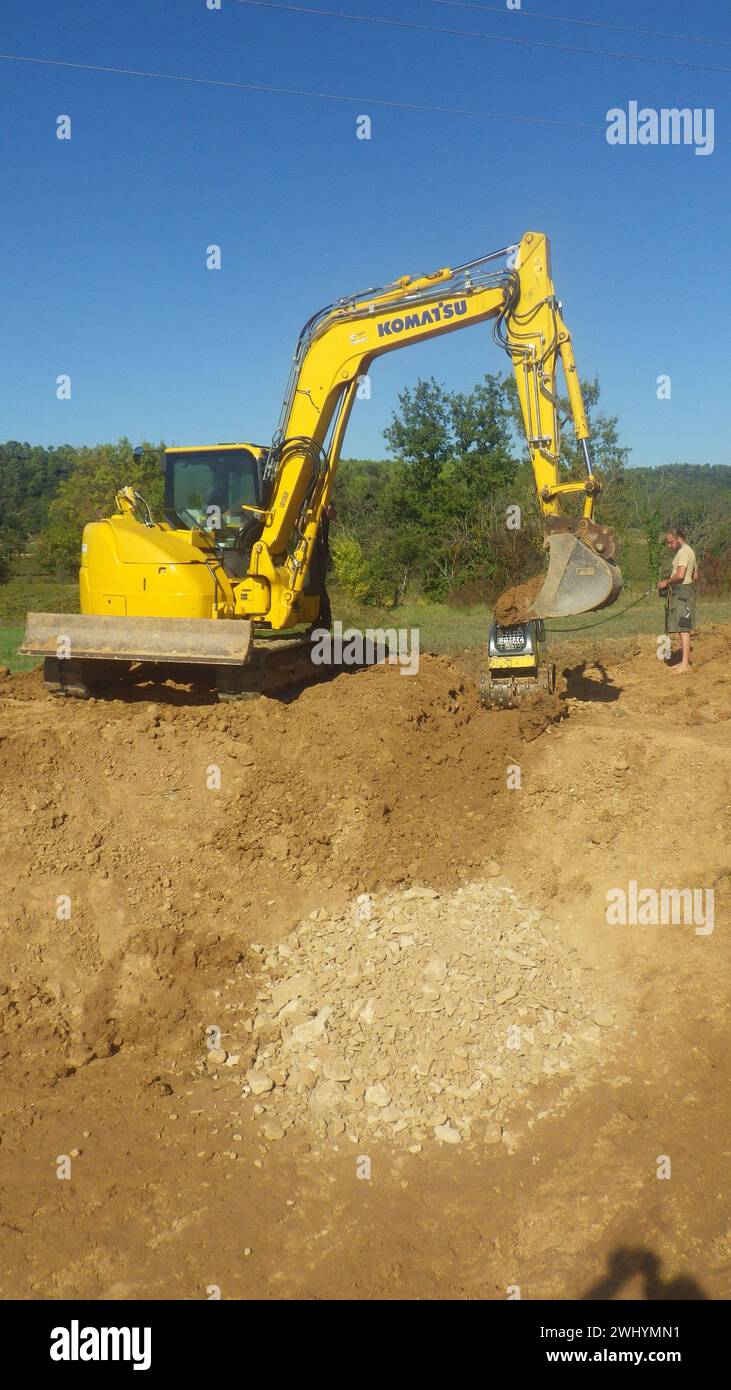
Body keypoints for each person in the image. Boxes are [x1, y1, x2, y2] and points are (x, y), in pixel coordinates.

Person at [658, 525, 698, 675]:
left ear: (679, 539)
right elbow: (695, 575)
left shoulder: (683, 552)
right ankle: (683, 662)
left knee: (683, 628)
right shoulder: (690, 552)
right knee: (683, 627)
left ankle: (685, 665)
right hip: (685, 593)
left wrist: (666, 582)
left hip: (683, 594)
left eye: (671, 542)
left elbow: (681, 575)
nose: (669, 545)